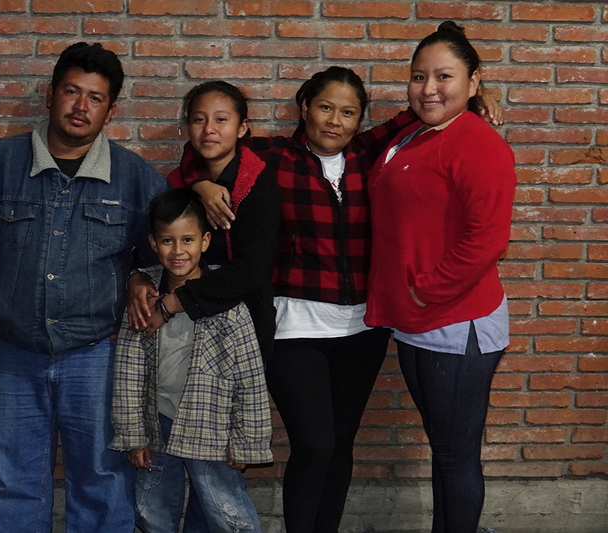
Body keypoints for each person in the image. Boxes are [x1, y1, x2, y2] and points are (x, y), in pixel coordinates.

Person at [175, 68, 503, 533]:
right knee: (313, 445)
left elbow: (425, 109)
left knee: (342, 442)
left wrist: (474, 97)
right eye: (325, 107)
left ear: (359, 120)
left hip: (362, 329)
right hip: (294, 327)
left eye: (348, 112)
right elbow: (203, 148)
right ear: (304, 107)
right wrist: (199, 183)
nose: (335, 121)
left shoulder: (373, 154)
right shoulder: (269, 157)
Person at [0, 42, 169, 532]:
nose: (80, 106)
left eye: (95, 97)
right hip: (12, 347)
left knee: (103, 475)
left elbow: (166, 253)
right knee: (10, 477)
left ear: (112, 109)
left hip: (97, 352)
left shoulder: (135, 179)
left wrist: (138, 278)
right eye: (71, 91)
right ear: (50, 94)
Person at [365, 21, 517, 533]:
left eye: (444, 77)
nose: (428, 88)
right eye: (418, 76)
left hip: (456, 322)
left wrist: (423, 288)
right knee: (445, 449)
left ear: (474, 81)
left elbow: (487, 239)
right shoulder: (412, 132)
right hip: (416, 319)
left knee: (454, 454)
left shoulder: (479, 143)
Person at [110, 188, 273, 533]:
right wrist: (133, 434)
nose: (178, 250)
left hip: (212, 427)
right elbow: (127, 373)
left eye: (188, 239)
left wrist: (247, 443)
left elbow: (251, 379)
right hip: (158, 425)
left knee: (227, 512)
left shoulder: (227, 301)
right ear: (153, 244)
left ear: (205, 241)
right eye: (167, 241)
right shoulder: (143, 301)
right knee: (151, 510)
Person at [128, 81, 280, 360]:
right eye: (199, 119)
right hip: (178, 324)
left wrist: (173, 303)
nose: (209, 129)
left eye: (221, 119)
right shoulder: (178, 182)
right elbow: (151, 247)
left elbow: (252, 268)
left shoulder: (258, 186)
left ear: (242, 127)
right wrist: (136, 278)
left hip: (240, 321)